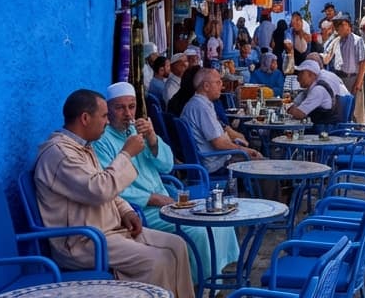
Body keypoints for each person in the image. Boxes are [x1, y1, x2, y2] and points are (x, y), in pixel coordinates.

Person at [33, 89, 194, 298]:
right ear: (84, 118)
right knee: (158, 261)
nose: (107, 122)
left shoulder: (83, 147)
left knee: (177, 245)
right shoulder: (61, 154)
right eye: (104, 116)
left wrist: (126, 212)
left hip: (112, 230)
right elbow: (100, 189)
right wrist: (126, 154)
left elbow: (110, 191)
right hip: (84, 241)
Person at [93, 82, 238, 278]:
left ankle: (216, 273)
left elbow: (167, 165)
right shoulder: (101, 141)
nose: (128, 114)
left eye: (132, 107)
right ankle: (201, 282)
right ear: (108, 111)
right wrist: (153, 198)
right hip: (141, 210)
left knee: (221, 219)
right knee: (199, 232)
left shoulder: (137, 131)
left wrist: (153, 139)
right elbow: (112, 188)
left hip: (167, 199)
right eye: (120, 108)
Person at [181, 67, 262, 171]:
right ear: (206, 86)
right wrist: (244, 150)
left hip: (216, 158)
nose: (222, 86)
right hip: (216, 163)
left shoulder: (199, 104)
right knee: (262, 163)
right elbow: (218, 143)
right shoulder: (201, 107)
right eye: (218, 82)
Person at [287, 58, 349, 126]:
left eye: (301, 73)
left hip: (323, 130)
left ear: (311, 74)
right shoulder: (313, 86)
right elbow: (298, 100)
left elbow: (299, 114)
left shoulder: (318, 90)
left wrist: (289, 110)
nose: (297, 78)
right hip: (321, 126)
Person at [331, 12, 365, 124]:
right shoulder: (337, 41)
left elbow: (363, 62)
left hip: (352, 79)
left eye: (340, 25)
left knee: (354, 110)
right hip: (339, 79)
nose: (337, 28)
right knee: (341, 110)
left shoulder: (357, 40)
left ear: (347, 25)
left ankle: (356, 134)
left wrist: (359, 83)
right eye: (336, 25)